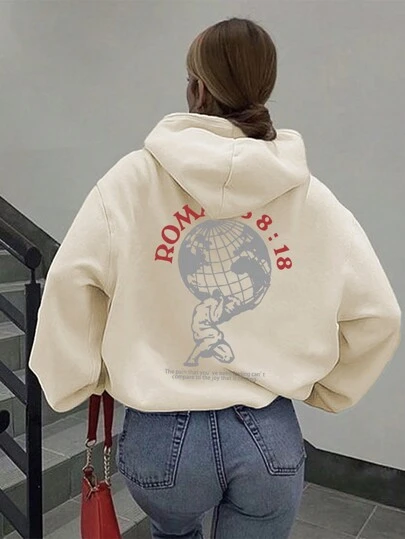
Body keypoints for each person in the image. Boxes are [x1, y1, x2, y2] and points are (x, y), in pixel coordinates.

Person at [28, 17, 401, 539]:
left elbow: (71, 285)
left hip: (162, 442)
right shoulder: (311, 198)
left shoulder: (132, 180)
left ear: (197, 87)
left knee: (173, 531)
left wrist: (78, 380)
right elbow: (378, 315)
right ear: (264, 86)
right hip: (269, 438)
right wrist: (328, 389)